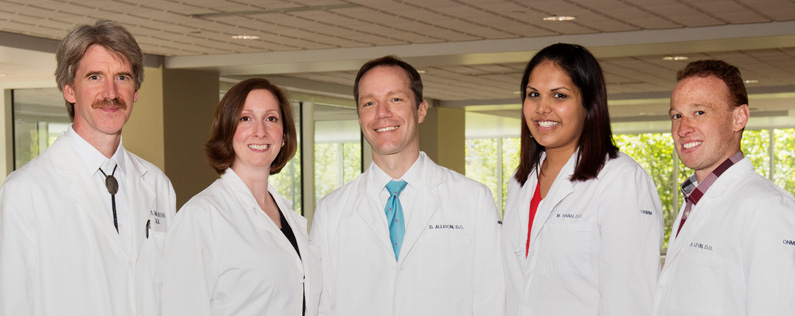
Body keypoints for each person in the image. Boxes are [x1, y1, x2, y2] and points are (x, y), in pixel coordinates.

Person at [0, 20, 176, 316]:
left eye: (122, 77)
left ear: (135, 92)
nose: (111, 92)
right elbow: (11, 303)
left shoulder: (158, 186)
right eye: (95, 77)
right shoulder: (25, 191)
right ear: (69, 90)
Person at [309, 56, 505, 316]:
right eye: (369, 103)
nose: (382, 113)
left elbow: (492, 300)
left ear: (421, 110)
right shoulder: (330, 211)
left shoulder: (473, 200)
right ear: (359, 116)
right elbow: (321, 307)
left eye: (395, 99)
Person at [501, 43, 664, 316]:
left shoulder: (621, 181)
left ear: (589, 103)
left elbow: (630, 301)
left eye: (559, 96)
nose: (542, 108)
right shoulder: (520, 183)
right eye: (534, 95)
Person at [161, 78, 320, 316]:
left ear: (284, 134)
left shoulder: (287, 215)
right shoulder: (201, 216)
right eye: (246, 119)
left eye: (271, 118)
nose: (260, 131)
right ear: (227, 130)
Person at [653, 60, 795, 315]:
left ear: (738, 118)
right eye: (677, 115)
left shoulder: (768, 209)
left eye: (699, 112)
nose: (683, 129)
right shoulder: (694, 202)